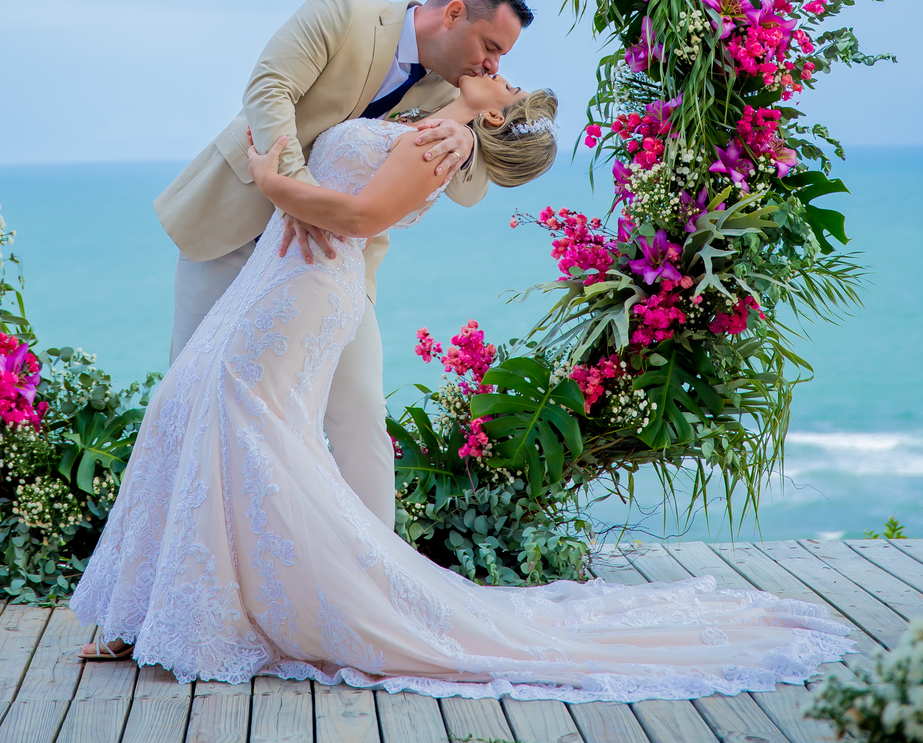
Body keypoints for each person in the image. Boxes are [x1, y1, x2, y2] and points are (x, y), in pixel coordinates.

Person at [70, 76, 848, 698]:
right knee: (189, 407)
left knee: (244, 424)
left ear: (497, 113)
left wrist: (276, 179)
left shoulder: (440, 150)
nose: (491, 69)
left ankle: (218, 610)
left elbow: (357, 212)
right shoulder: (427, 118)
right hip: (277, 277)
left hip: (302, 289)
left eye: (501, 76)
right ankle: (154, 605)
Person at [153, 0, 531, 522]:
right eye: (491, 45)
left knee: (358, 415)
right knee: (187, 395)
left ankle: (378, 579)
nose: (494, 65)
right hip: (235, 226)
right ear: (453, 14)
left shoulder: (458, 91)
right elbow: (269, 88)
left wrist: (466, 138)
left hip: (333, 262)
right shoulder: (343, 12)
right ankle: (174, 560)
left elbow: (470, 192)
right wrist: (297, 195)